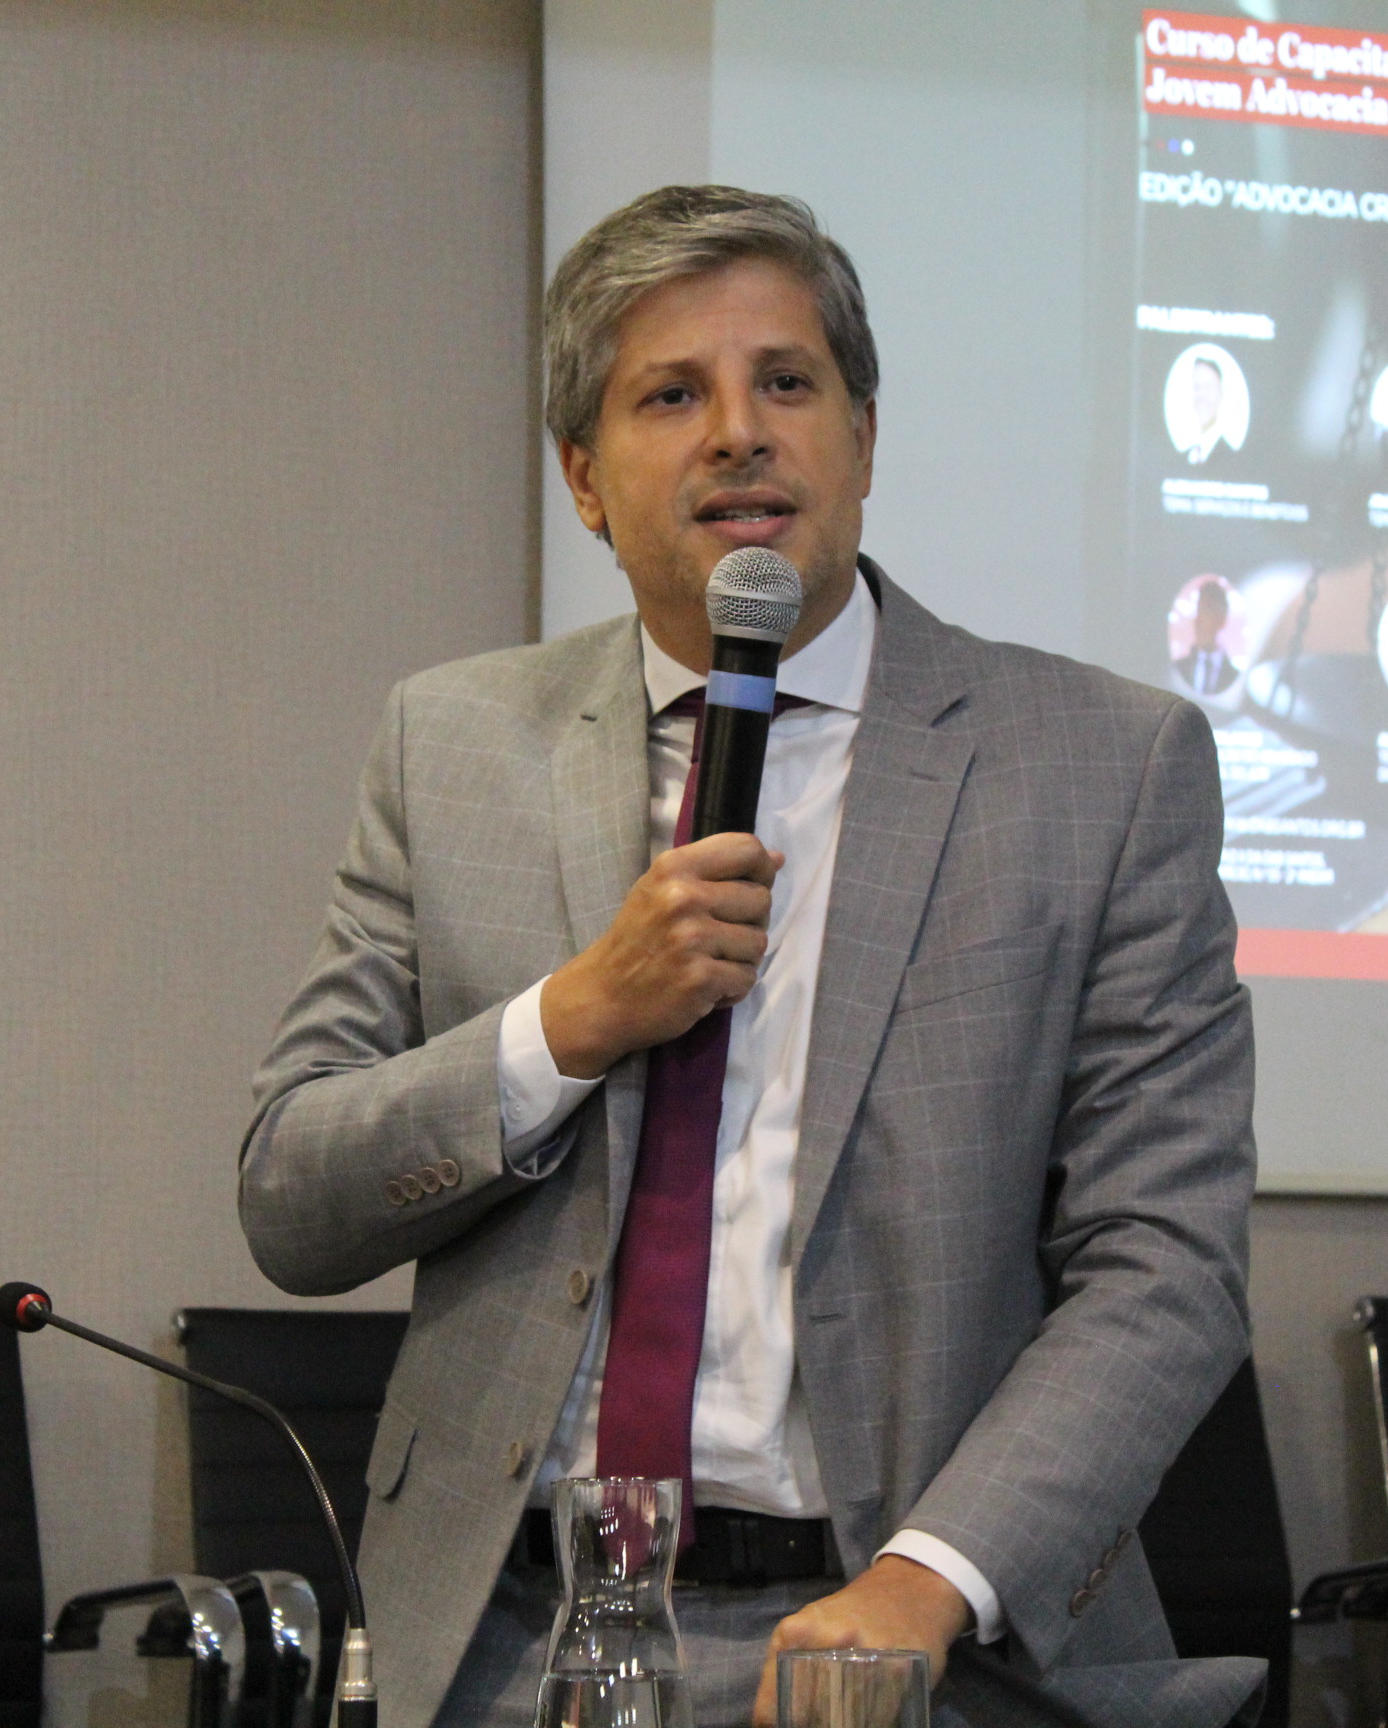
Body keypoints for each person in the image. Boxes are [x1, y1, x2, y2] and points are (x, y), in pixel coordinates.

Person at [240, 186, 1258, 1728]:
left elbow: (1166, 1264)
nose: (739, 433)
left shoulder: (1103, 766)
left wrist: (924, 1585)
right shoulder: (454, 744)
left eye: (787, 382)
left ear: (863, 437)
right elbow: (292, 1198)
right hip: (512, 1642)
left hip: (914, 1641)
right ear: (585, 478)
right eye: (672, 395)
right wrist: (571, 1022)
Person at [1173, 581, 1240, 696]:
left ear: (1221, 620)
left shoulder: (1233, 675)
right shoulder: (1180, 667)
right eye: (1198, 611)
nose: (1198, 621)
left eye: (1206, 612)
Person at [1175, 354, 1230, 466]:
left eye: (1208, 387)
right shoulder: (1185, 457)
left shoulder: (1233, 459)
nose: (1202, 395)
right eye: (1197, 387)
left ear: (1220, 393)